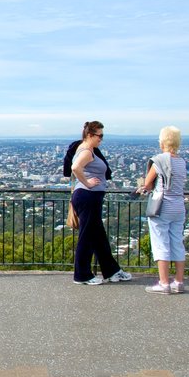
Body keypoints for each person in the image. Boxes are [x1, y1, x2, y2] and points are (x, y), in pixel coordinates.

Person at [65, 121, 132, 285]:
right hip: (88, 196)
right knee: (86, 237)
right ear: (90, 135)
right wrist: (87, 183)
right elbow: (75, 167)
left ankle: (111, 271)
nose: (101, 139)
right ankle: (82, 275)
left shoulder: (86, 149)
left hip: (90, 197)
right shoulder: (87, 151)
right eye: (99, 136)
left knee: (98, 238)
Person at [137, 126, 188, 294]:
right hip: (179, 206)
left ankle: (164, 283)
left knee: (161, 244)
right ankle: (179, 282)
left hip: (162, 206)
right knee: (177, 243)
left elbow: (148, 184)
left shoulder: (159, 160)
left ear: (162, 142)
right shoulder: (181, 161)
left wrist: (143, 185)